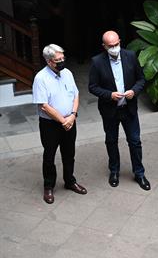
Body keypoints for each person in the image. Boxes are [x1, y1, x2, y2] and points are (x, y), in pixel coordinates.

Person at [88, 30, 150, 191]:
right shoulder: (97, 62)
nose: (114, 48)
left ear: (120, 42)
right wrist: (109, 95)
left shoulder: (130, 56)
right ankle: (114, 171)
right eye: (111, 46)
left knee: (135, 142)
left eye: (116, 44)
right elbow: (92, 87)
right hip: (110, 110)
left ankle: (139, 173)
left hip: (128, 108)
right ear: (104, 46)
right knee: (111, 141)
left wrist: (134, 91)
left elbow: (141, 79)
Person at [32, 44, 87, 204]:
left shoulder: (67, 73)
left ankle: (70, 181)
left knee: (69, 154)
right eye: (58, 60)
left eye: (63, 58)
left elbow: (76, 94)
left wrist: (73, 115)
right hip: (50, 125)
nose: (62, 61)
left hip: (70, 120)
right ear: (49, 61)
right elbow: (44, 105)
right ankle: (48, 186)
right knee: (49, 156)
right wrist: (63, 121)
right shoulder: (40, 78)